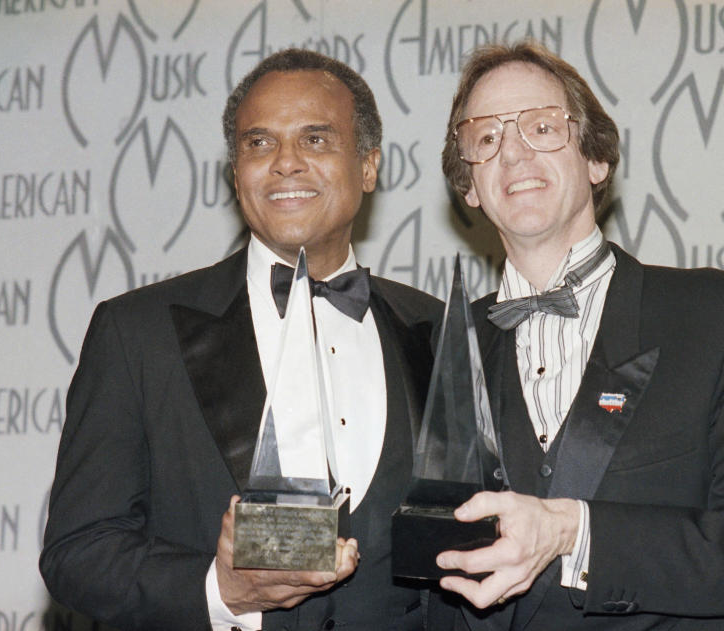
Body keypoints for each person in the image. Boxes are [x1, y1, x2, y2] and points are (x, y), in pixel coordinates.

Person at [427, 39, 724, 630]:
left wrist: (572, 533)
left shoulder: (719, 316)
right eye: (486, 138)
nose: (513, 152)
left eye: (541, 127)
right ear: (469, 188)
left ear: (597, 160)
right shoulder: (441, 346)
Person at [40, 49, 440, 631]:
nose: (285, 163)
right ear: (235, 174)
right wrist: (222, 590)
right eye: (258, 144)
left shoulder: (432, 327)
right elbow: (78, 552)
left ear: (369, 166)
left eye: (316, 139)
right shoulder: (137, 333)